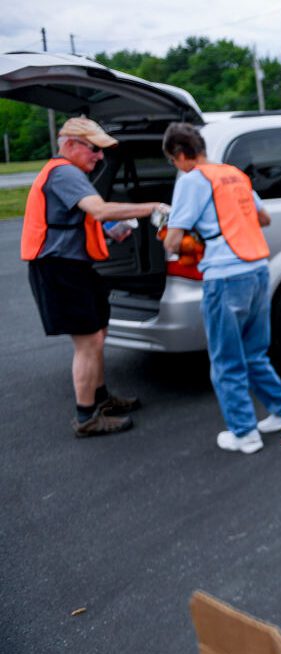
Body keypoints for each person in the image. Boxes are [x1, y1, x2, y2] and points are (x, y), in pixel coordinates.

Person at [23, 117, 164, 437]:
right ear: (71, 144)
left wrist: (111, 230)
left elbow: (85, 217)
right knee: (87, 342)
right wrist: (153, 206)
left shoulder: (65, 172)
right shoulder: (65, 172)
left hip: (74, 265)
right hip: (59, 267)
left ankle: (101, 398)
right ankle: (86, 417)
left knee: (97, 333)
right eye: (94, 149)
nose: (99, 157)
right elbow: (98, 210)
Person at [162, 122, 281, 454]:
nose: (176, 167)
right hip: (257, 270)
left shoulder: (192, 180)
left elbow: (175, 238)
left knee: (226, 360)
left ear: (180, 155)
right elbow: (264, 219)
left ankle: (244, 432)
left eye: (173, 161)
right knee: (254, 353)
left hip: (224, 276)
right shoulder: (234, 174)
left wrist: (176, 239)